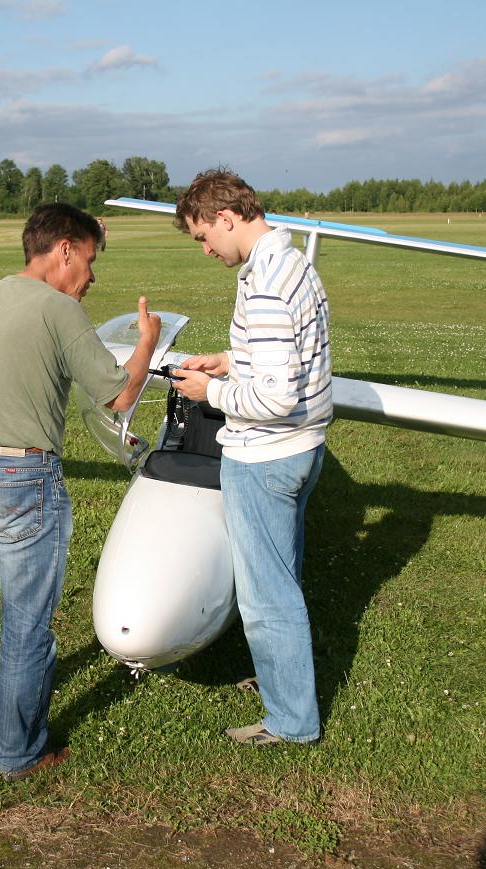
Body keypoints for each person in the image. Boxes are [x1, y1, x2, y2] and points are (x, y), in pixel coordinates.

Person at [0, 204, 162, 780]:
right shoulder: (60, 310)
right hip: (25, 476)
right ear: (64, 250)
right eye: (90, 261)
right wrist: (147, 341)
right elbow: (118, 398)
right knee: (26, 624)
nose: (91, 278)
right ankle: (19, 753)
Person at [169, 169, 333, 746]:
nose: (207, 249)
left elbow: (275, 396)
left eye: (203, 237)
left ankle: (291, 722)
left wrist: (206, 392)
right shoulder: (293, 265)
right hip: (303, 448)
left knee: (266, 595)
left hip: (265, 457)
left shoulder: (264, 282)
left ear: (226, 218)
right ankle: (279, 678)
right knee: (281, 575)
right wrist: (227, 360)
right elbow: (279, 362)